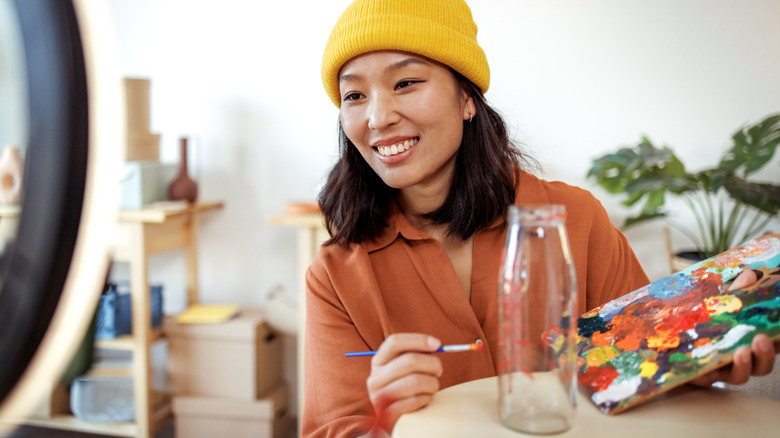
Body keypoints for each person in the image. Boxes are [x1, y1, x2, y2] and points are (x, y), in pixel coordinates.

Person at [303, 1, 778, 437]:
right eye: (354, 96)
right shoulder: (336, 275)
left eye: (406, 82)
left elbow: (641, 374)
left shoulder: (576, 219)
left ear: (467, 99)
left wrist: (701, 354)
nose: (378, 117)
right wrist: (384, 422)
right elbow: (332, 429)